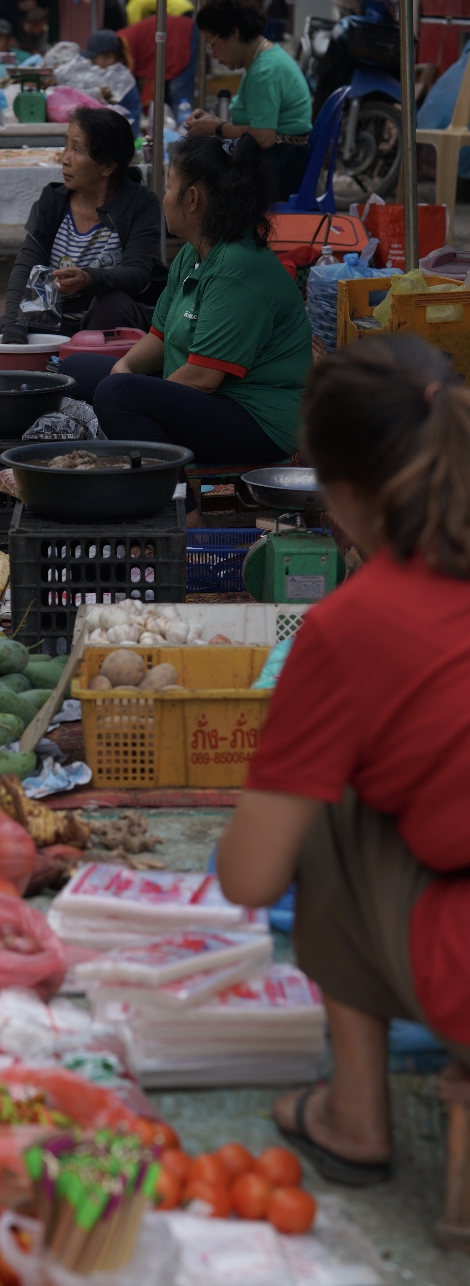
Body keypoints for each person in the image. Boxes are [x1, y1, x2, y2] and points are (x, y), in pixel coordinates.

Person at [216, 335, 470, 1186]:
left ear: (342, 488)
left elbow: (253, 879)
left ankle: (353, 1116)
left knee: (331, 812)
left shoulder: (354, 624)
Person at [64, 136, 311, 522]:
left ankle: (183, 509)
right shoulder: (194, 255)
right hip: (206, 399)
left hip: (258, 421)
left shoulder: (237, 269)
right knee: (75, 371)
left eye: (169, 186)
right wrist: (124, 369)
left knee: (118, 397)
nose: (163, 197)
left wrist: (129, 398)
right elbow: (158, 338)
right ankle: (150, 463)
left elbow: (202, 378)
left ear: (193, 198)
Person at [0, 107, 167, 343]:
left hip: (111, 321)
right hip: (59, 319)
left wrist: (88, 279)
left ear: (107, 166)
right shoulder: (52, 202)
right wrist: (13, 336)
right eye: (66, 146)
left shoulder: (141, 204)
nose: (65, 158)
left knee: (111, 304)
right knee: (2, 328)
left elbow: (137, 274)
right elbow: (26, 268)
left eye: (76, 149)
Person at [185, 0, 312, 202]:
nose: (214, 55)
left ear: (234, 33)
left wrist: (216, 127)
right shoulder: (263, 61)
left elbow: (262, 137)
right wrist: (212, 122)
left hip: (276, 168)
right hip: (276, 160)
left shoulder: (264, 72)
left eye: (211, 43)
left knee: (194, 188)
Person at [118, 11, 197, 116]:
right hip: (177, 32)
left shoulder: (122, 44)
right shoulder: (124, 38)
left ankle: (185, 127)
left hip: (184, 35)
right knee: (174, 93)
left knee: (180, 93)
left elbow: (127, 81)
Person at [81, 30, 142, 135]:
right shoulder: (105, 76)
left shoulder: (121, 81)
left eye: (94, 59)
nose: (90, 63)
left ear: (109, 57)